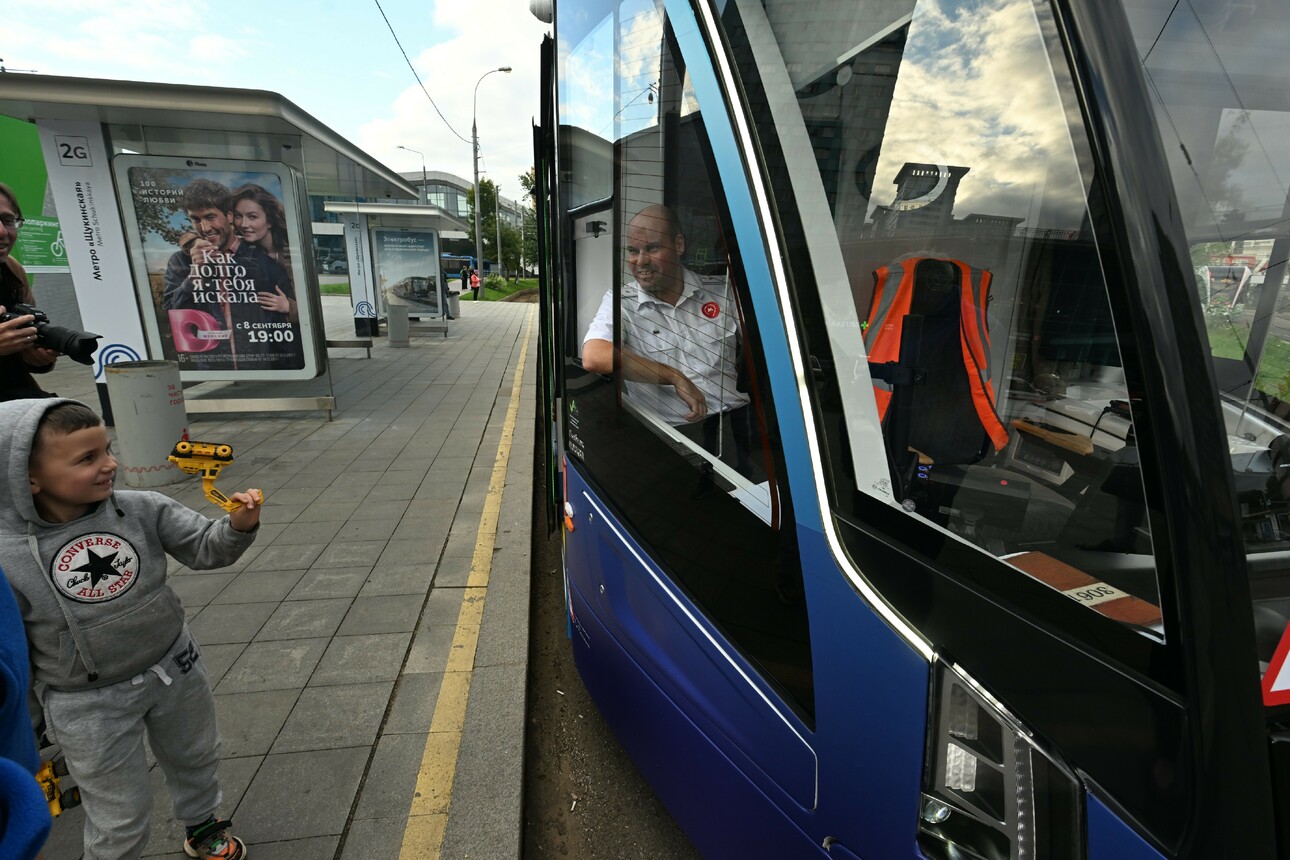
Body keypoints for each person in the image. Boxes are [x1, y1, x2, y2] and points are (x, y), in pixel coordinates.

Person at [0, 399, 263, 860]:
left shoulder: (142, 508)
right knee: (118, 808)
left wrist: (238, 525)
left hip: (174, 665)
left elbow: (205, 547)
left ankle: (203, 823)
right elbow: (13, 653)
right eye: (87, 458)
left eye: (106, 448)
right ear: (27, 477)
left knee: (196, 754)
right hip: (85, 700)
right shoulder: (8, 556)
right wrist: (27, 729)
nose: (110, 464)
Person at [582, 205, 752, 468]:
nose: (640, 261)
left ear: (679, 244)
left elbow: (767, 351)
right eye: (632, 251)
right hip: (671, 434)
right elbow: (594, 357)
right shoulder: (621, 302)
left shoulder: (723, 292)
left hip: (737, 424)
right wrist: (673, 376)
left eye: (652, 248)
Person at [161, 178, 300, 371]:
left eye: (210, 217)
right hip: (211, 372)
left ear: (229, 216)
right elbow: (171, 313)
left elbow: (286, 329)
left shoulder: (265, 262)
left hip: (261, 370)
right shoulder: (181, 261)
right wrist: (195, 276)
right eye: (196, 219)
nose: (205, 228)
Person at [0, 182, 60, 401]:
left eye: (7, 220)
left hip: (16, 396)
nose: (2, 232)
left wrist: (35, 356)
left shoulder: (11, 271)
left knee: (80, 419)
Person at [230, 184, 299, 321]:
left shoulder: (293, 251)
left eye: (252, 217)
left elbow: (312, 305)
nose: (243, 224)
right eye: (238, 216)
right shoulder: (243, 249)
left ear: (270, 221)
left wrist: (289, 307)